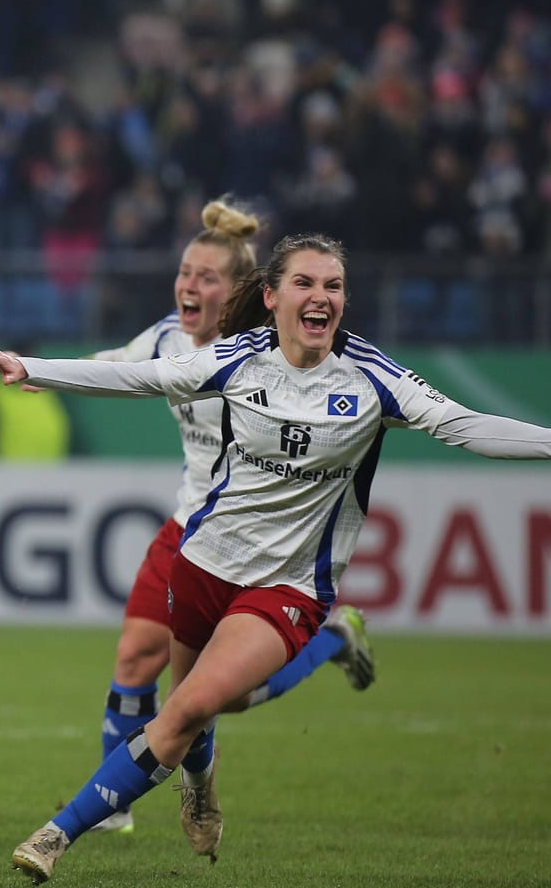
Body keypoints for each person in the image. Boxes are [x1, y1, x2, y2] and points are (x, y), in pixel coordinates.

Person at [0, 233, 551, 885]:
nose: (321, 296)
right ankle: (200, 790)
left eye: (334, 285)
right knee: (189, 709)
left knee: (186, 708)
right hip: (203, 562)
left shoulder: (374, 378)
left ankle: (55, 835)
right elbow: (144, 376)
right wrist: (32, 369)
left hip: (286, 586)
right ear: (272, 295)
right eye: (305, 283)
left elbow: (463, 425)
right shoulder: (237, 358)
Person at [81, 198, 378, 839]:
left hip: (262, 545)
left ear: (243, 290)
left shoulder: (268, 355)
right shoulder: (166, 337)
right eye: (185, 272)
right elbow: (121, 365)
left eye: (207, 277)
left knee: (224, 696)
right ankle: (115, 804)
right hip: (189, 527)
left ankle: (330, 639)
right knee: (134, 657)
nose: (190, 285)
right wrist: (47, 373)